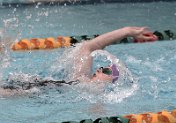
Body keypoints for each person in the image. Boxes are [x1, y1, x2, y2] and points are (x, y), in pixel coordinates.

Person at [0, 26, 157, 97]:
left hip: (28, 91)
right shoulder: (82, 79)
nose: (99, 70)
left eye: (107, 70)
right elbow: (89, 47)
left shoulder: (95, 93)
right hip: (31, 86)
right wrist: (127, 31)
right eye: (102, 67)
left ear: (112, 82)